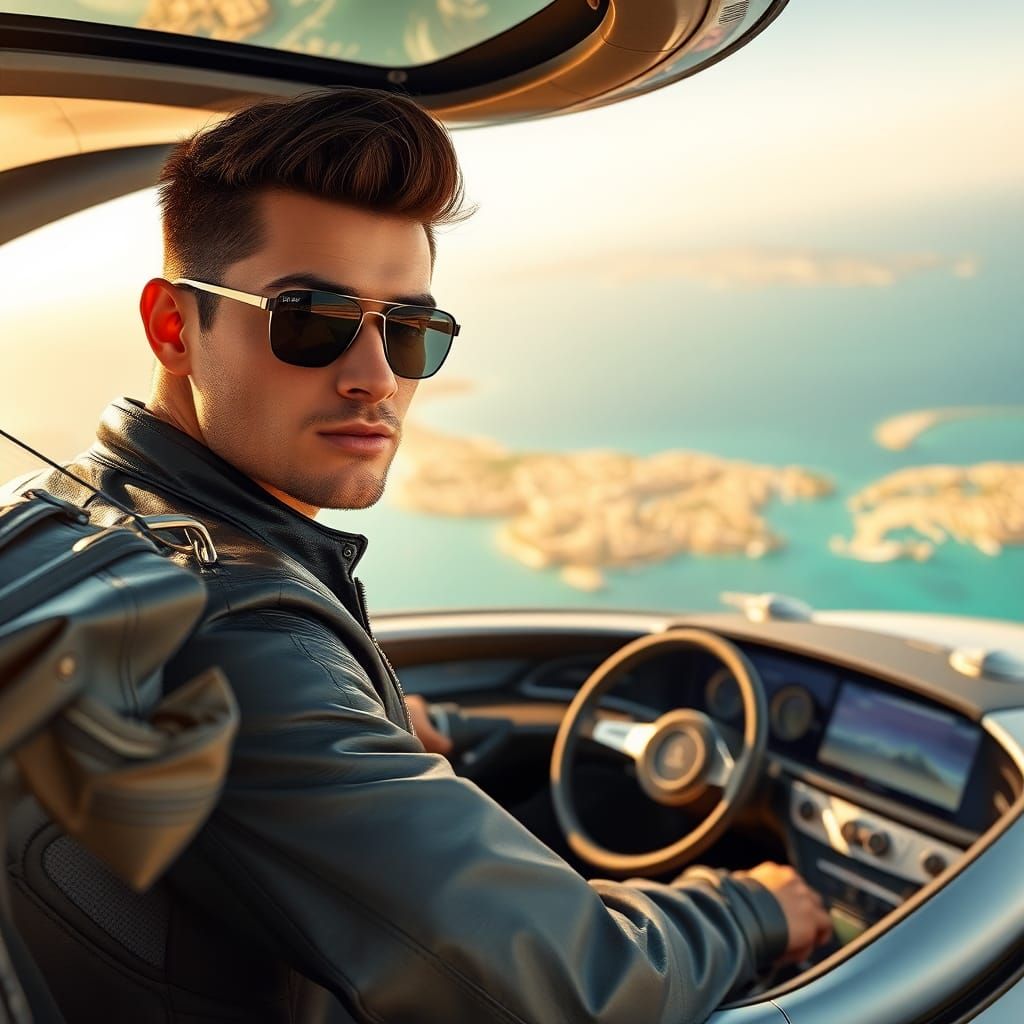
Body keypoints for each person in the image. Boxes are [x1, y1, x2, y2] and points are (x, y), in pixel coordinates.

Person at [3, 87, 832, 1023]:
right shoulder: (237, 642)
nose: (375, 377)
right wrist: (757, 908)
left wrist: (376, 721)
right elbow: (575, 988)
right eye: (309, 320)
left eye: (409, 331)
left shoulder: (53, 517)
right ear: (171, 327)